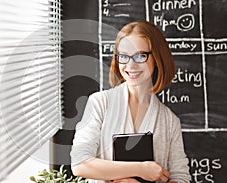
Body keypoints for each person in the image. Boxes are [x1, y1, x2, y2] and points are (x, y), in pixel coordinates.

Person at [70, 21, 191, 183]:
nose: (131, 65)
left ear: (157, 58)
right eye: (124, 56)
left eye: (141, 55)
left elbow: (181, 177)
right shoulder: (99, 103)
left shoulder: (169, 121)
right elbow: (80, 164)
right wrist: (140, 169)